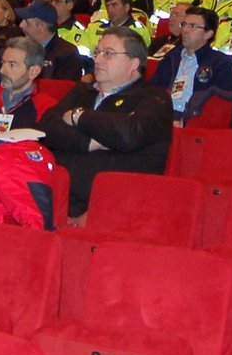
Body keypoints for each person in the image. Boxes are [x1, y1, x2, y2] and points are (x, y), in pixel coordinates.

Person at [40, 28, 173, 221]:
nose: (98, 59)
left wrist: (79, 116)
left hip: (117, 210)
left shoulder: (154, 99)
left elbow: (127, 135)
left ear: (134, 63)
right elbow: (46, 129)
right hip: (57, 202)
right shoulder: (82, 92)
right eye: (97, 52)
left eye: (108, 53)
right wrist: (90, 143)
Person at [150, 5, 232, 123]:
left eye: (192, 26)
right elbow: (152, 90)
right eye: (184, 24)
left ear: (208, 34)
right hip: (164, 117)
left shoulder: (220, 63)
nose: (185, 30)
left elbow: (222, 106)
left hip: (195, 121)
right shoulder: (170, 58)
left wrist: (185, 122)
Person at [15, 1, 83, 81]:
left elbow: (62, 89)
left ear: (41, 26)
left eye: (26, 22)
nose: (21, 25)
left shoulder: (67, 54)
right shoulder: (22, 48)